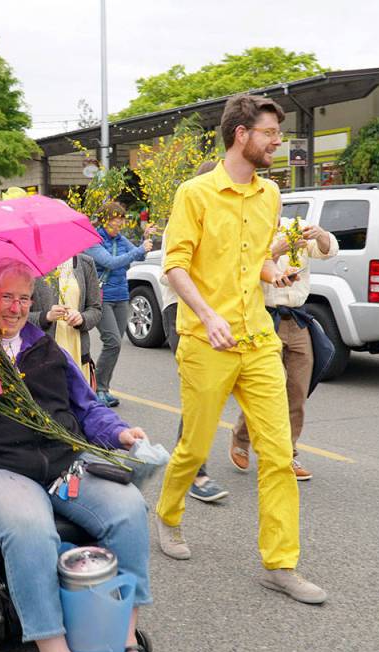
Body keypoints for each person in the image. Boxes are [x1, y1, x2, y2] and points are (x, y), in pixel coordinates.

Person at [0, 257, 165, 652]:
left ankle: (124, 641)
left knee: (127, 508)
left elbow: (86, 408)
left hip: (60, 464)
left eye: (25, 298)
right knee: (30, 525)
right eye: (6, 297)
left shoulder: (46, 349)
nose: (17, 308)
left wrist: (119, 433)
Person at [153, 94, 326, 604]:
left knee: (279, 453)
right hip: (205, 339)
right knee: (195, 446)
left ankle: (280, 563)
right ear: (241, 134)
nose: (277, 143)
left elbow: (256, 259)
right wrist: (208, 316)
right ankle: (167, 514)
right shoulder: (195, 193)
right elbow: (175, 265)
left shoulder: (270, 193)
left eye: (278, 134)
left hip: (258, 339)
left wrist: (275, 273)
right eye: (270, 133)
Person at [229, 215, 338, 482]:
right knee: (265, 388)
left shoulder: (295, 227)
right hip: (265, 318)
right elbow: (242, 269)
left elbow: (328, 250)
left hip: (297, 318)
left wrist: (320, 234)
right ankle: (241, 438)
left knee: (297, 390)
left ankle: (288, 453)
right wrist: (275, 251)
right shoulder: (248, 229)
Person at [159, 160, 230, 504]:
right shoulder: (186, 216)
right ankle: (192, 471)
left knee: (212, 392)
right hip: (182, 313)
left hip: (219, 315)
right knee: (200, 391)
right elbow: (172, 271)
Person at [84, 201, 153, 407]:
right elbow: (110, 262)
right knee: (112, 341)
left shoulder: (121, 239)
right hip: (101, 298)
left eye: (122, 219)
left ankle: (103, 388)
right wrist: (138, 249)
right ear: (105, 220)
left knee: (115, 345)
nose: (120, 223)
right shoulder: (93, 241)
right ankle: (98, 389)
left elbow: (140, 256)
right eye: (116, 219)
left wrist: (146, 239)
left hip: (121, 296)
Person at [28, 253, 102, 374]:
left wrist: (82, 318)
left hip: (77, 352)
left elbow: (95, 309)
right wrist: (45, 317)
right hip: (44, 354)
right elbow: (19, 315)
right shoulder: (33, 264)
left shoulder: (85, 263)